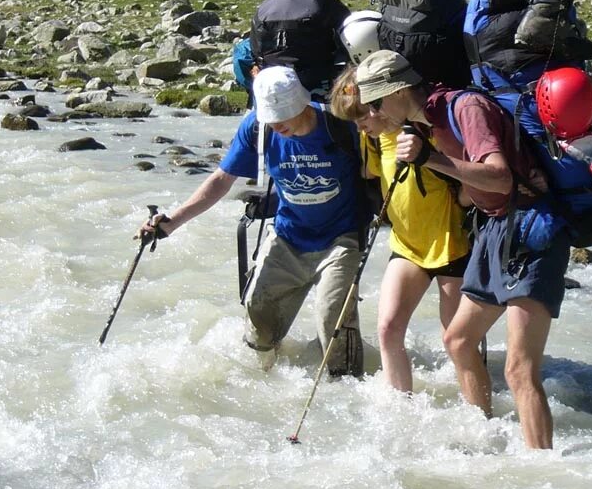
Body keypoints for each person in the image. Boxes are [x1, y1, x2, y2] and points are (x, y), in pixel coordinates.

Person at [355, 50, 570, 449]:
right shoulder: (429, 122)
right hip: (496, 231)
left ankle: (542, 475)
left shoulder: (466, 108)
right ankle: (485, 441)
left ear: (400, 91)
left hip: (532, 228)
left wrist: (432, 160)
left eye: (376, 102)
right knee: (458, 341)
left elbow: (501, 177)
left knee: (519, 370)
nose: (373, 111)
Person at [142, 65, 367, 377]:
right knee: (257, 312)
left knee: (333, 318)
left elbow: (378, 171)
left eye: (282, 115)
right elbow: (222, 179)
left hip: (341, 237)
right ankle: (264, 379)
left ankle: (346, 386)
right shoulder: (256, 128)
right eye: (270, 117)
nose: (276, 125)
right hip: (289, 234)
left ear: (301, 103)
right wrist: (171, 223)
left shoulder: (340, 126)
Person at [329, 67, 470, 393]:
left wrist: (463, 203)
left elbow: (466, 175)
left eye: (364, 115)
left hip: (453, 244)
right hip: (408, 245)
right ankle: (400, 406)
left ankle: (472, 412)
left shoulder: (425, 134)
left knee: (458, 342)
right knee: (389, 328)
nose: (360, 125)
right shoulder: (373, 141)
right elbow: (372, 176)